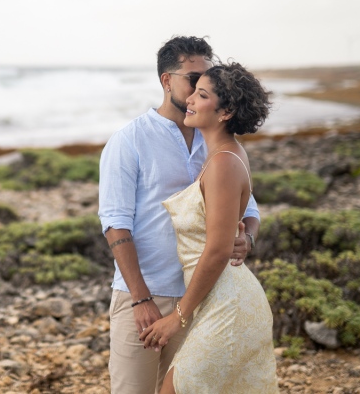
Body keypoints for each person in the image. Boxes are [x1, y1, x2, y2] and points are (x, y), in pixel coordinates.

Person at [98, 36, 261, 394]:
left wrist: (246, 238)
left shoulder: (216, 138)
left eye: (206, 82)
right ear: (166, 80)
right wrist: (140, 299)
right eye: (193, 80)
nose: (197, 90)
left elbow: (249, 210)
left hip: (203, 295)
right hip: (144, 294)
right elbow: (115, 224)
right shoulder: (129, 140)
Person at [140, 62, 278, 393]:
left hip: (228, 303)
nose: (190, 99)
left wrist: (177, 317)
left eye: (201, 95)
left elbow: (217, 249)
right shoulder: (223, 156)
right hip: (218, 300)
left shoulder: (223, 163)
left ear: (225, 110)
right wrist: (247, 234)